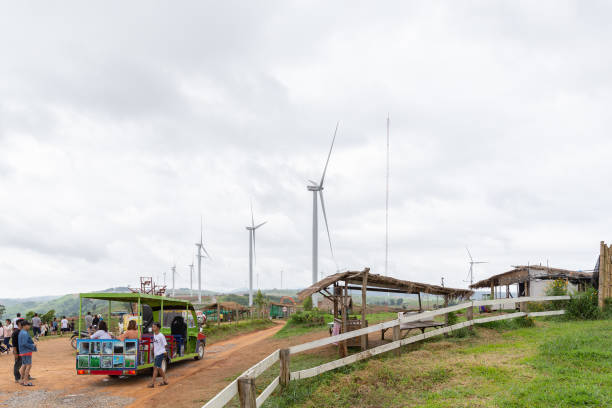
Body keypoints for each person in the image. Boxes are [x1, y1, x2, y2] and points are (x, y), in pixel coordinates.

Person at [148, 322, 168, 388]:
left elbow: (165, 344)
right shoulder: (154, 334)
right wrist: (152, 350)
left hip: (160, 353)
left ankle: (152, 383)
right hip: (156, 353)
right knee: (159, 368)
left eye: (154, 327)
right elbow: (155, 343)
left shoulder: (161, 335)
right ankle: (165, 380)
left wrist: (164, 351)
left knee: (155, 368)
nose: (153, 328)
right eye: (152, 327)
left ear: (158, 328)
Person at [18, 321, 36, 386]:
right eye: (29, 325)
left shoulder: (21, 332)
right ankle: (25, 381)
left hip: (22, 351)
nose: (29, 326)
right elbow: (24, 343)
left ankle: (21, 380)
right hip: (26, 351)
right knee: (28, 365)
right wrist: (33, 345)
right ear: (25, 325)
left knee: (24, 365)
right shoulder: (25, 333)